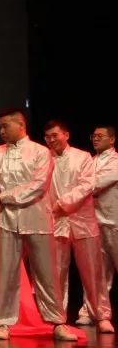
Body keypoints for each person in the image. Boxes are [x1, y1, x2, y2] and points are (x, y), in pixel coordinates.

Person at [0, 110, 73, 341]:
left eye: (5, 126)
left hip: (37, 219)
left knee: (47, 274)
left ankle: (58, 322)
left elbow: (39, 185)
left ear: (20, 124)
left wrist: (6, 196)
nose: (1, 131)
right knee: (6, 273)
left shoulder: (40, 152)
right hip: (8, 220)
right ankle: (3, 322)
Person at [43, 120, 113, 333]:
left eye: (55, 135)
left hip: (82, 221)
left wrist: (62, 203)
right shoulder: (43, 159)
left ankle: (101, 316)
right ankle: (57, 319)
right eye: (47, 137)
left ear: (66, 135)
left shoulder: (83, 157)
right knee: (55, 273)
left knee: (93, 272)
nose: (51, 140)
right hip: (55, 221)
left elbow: (87, 185)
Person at [77, 125, 117, 326]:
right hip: (94, 222)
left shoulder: (116, 161)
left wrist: (78, 189)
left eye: (100, 136)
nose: (95, 139)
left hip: (114, 221)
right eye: (93, 135)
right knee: (96, 271)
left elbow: (96, 184)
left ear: (112, 139)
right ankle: (91, 310)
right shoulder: (90, 161)